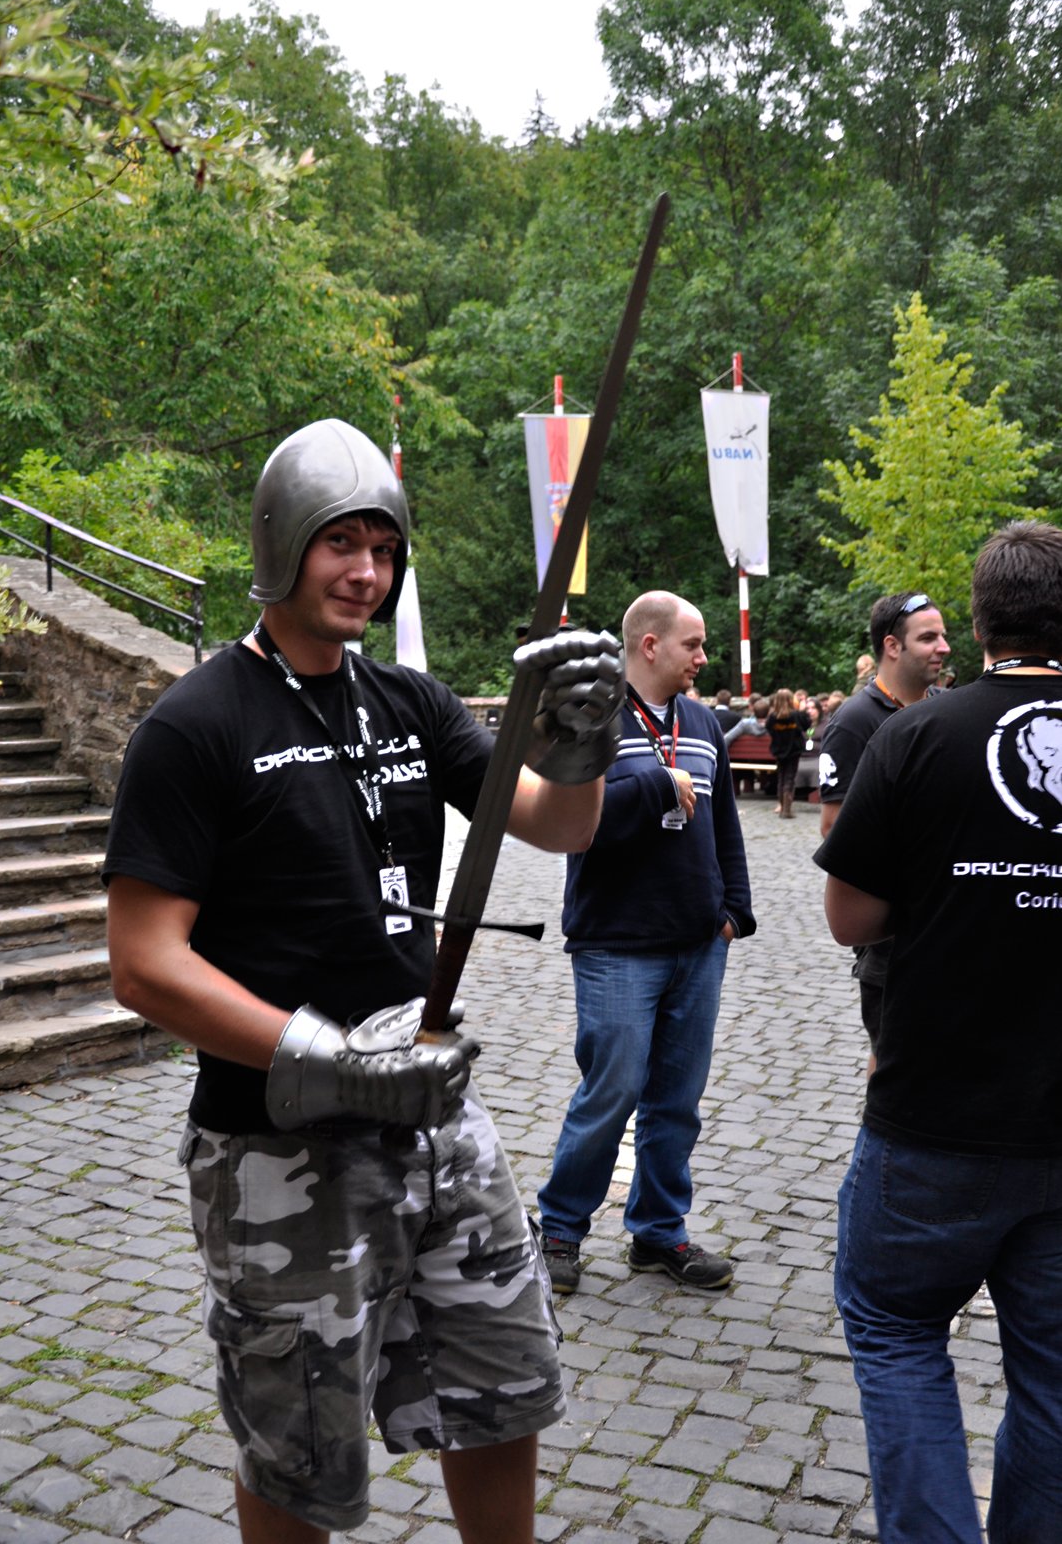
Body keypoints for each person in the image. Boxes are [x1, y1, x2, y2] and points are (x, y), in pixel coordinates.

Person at [103, 418, 629, 1544]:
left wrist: (584, 742)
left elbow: (557, 827)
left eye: (383, 550)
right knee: (296, 1444)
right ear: (280, 542)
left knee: (504, 1385)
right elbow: (144, 964)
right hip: (276, 1144)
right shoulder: (195, 726)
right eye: (339, 542)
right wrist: (336, 1062)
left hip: (436, 1116)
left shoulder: (410, 704)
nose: (365, 572)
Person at [814, 522, 1062, 1544]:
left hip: (933, 1114)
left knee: (894, 1328)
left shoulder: (916, 735)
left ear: (978, 618)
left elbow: (849, 918)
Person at [537, 591, 755, 1295]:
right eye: (692, 644)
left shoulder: (702, 721)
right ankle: (559, 1229)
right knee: (613, 1090)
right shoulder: (592, 718)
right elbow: (573, 826)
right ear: (650, 645)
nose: (703, 657)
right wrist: (655, 785)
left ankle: (659, 1232)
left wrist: (734, 909)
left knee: (676, 1101)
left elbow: (723, 822)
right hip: (616, 942)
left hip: (698, 941)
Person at [817, 592, 950, 1062]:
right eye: (928, 638)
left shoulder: (948, 708)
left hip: (951, 915)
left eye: (943, 636)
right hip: (894, 932)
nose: (944, 647)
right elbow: (833, 826)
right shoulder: (855, 720)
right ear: (892, 646)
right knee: (893, 1058)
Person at [766, 688, 809, 818]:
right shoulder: (796, 716)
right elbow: (807, 724)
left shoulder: (772, 717)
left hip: (779, 750)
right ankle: (787, 810)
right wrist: (802, 710)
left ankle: (782, 807)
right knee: (790, 779)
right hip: (794, 751)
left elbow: (769, 729)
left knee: (781, 778)